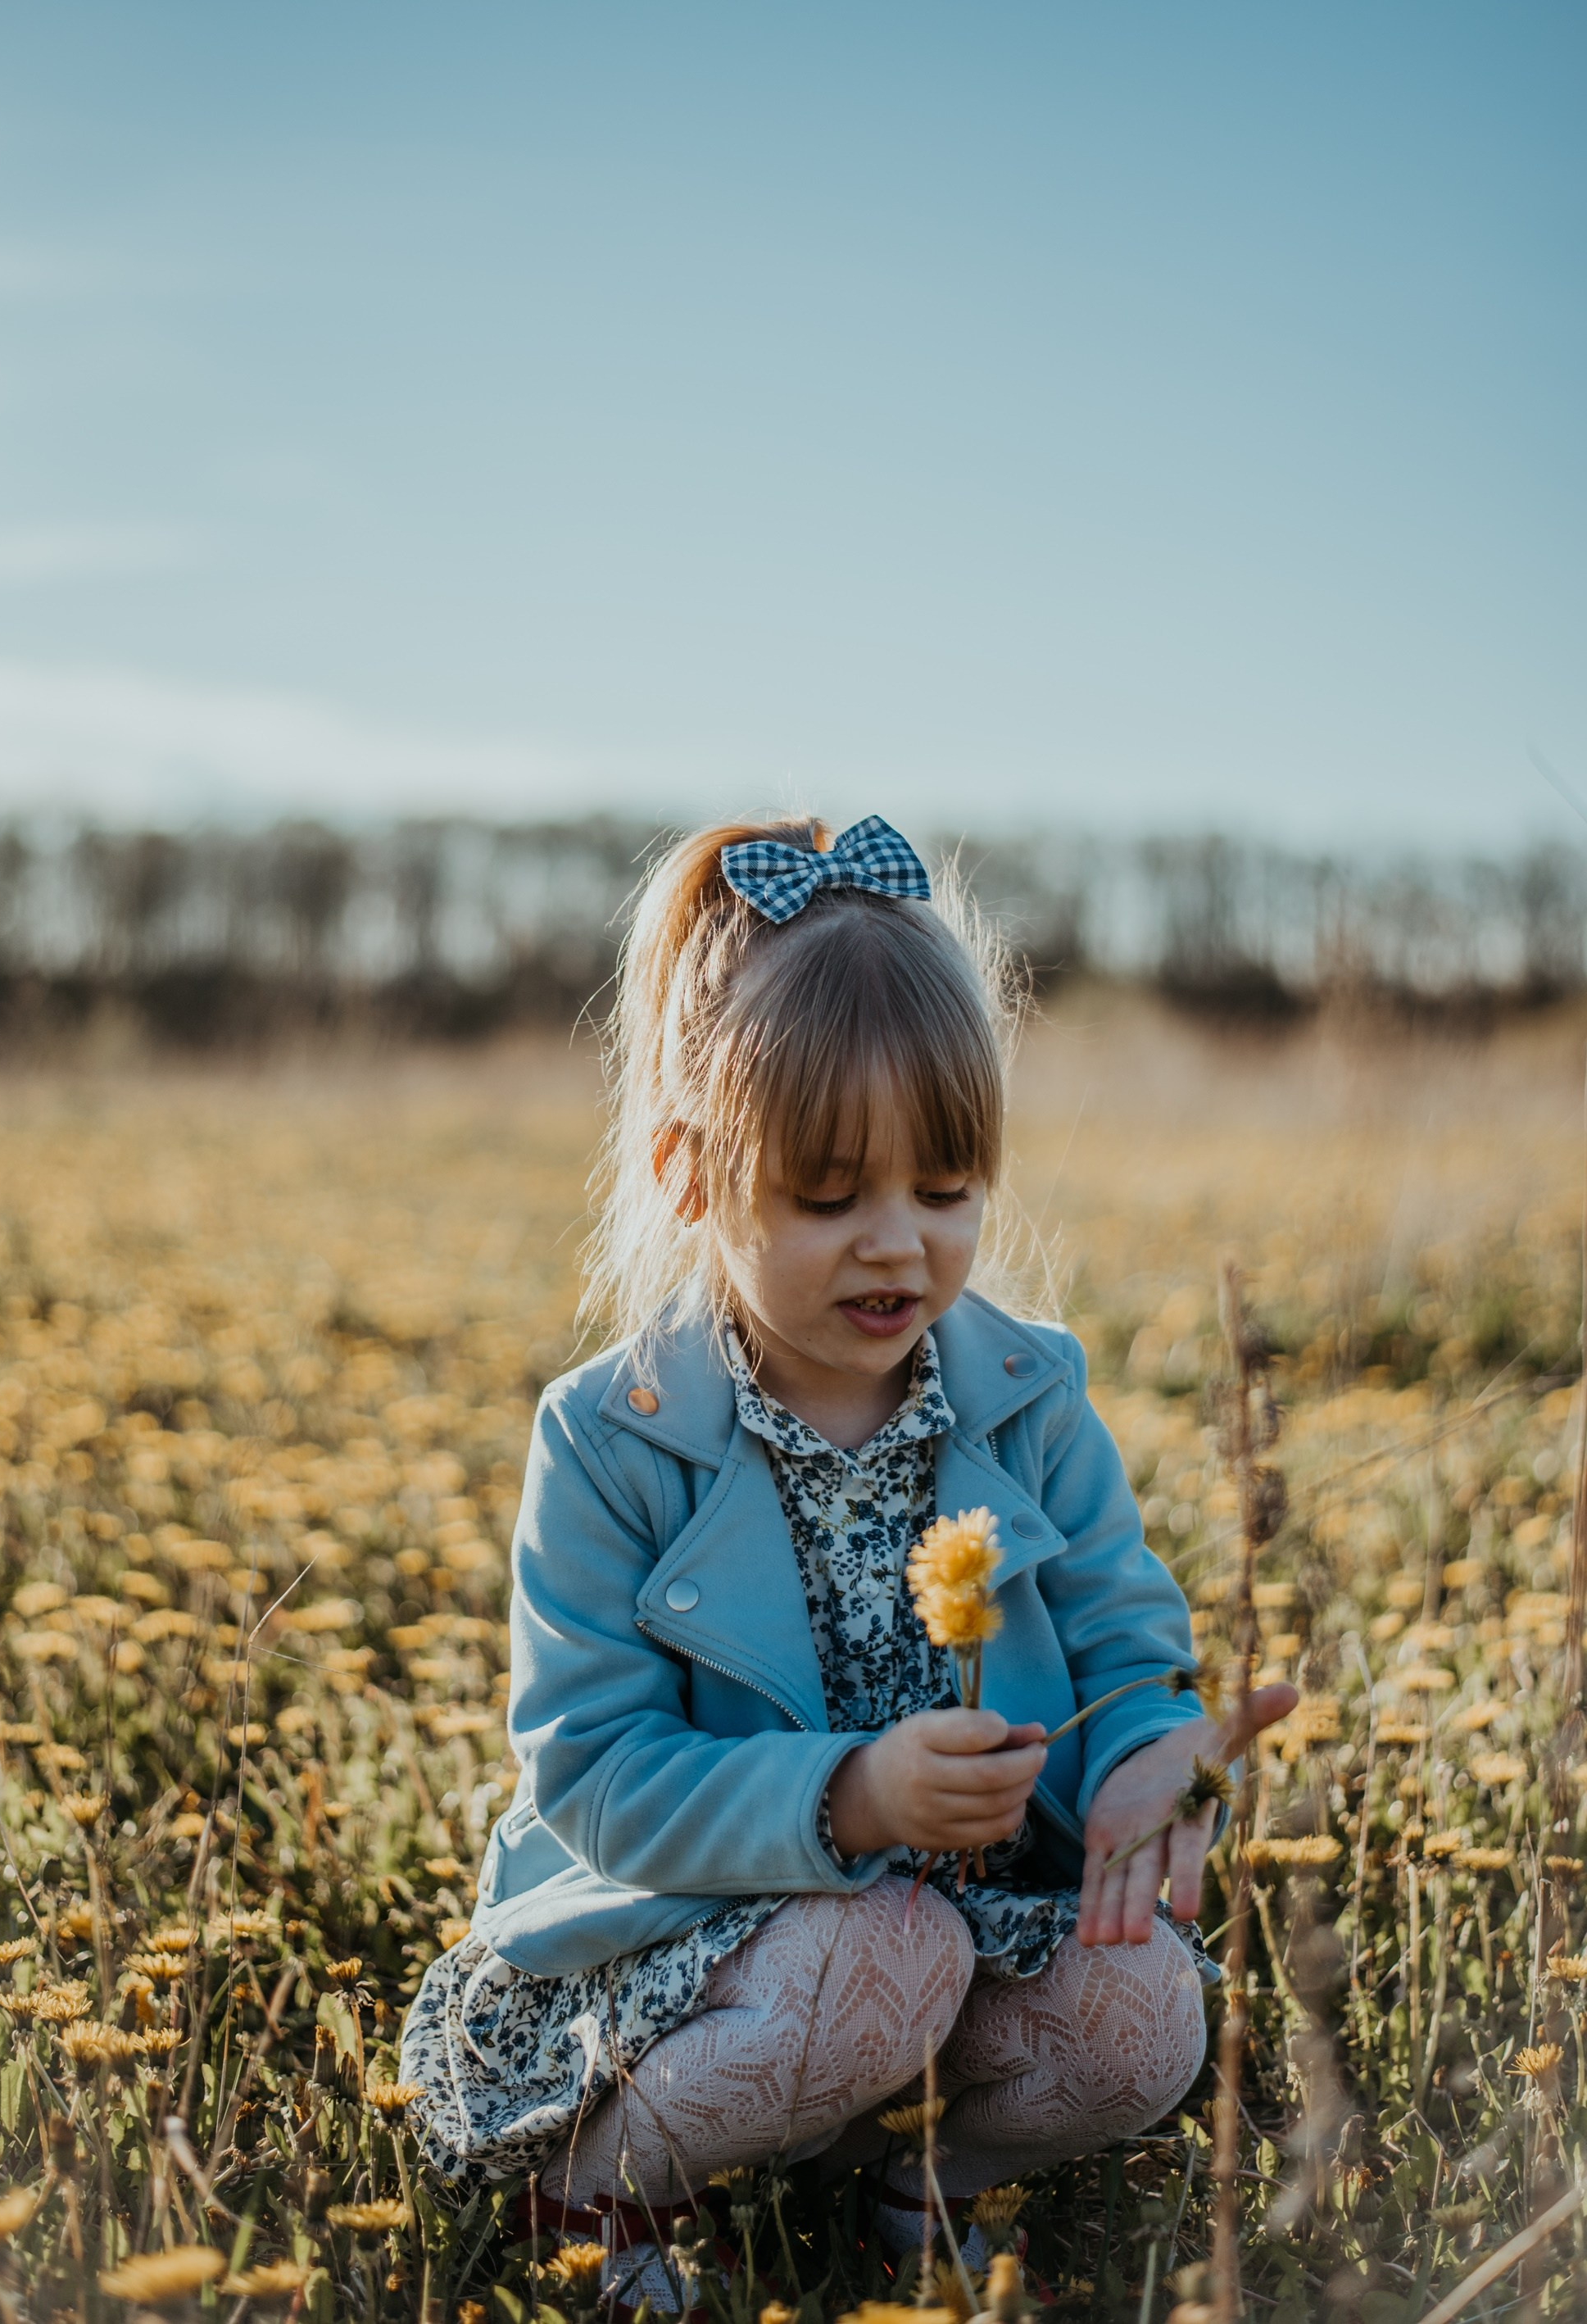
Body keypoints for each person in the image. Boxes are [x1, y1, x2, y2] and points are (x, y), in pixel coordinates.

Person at [401, 815, 1294, 2298]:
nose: (899, 1245)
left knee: (1148, 2013)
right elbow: (594, 1768)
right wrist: (850, 1796)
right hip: (702, 1949)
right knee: (889, 1950)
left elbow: (1134, 1649)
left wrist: (1150, 1757)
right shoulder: (612, 1440)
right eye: (830, 1199)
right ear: (693, 1175)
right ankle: (604, 2188)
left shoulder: (1032, 1399)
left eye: (944, 1192)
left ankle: (918, 2189)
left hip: (967, 1932)